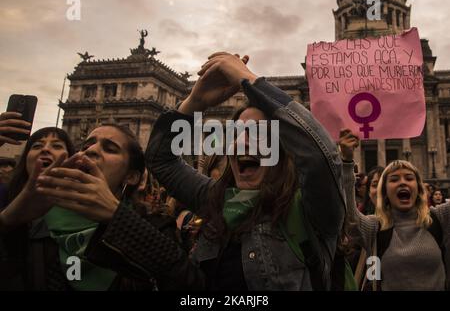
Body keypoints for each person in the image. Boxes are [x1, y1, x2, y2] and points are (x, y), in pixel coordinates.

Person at [146, 52, 346, 290]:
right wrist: (194, 103)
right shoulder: (215, 198)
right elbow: (160, 160)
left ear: (284, 151)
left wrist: (249, 79)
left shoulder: (311, 210)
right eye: (235, 134)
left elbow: (320, 156)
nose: (242, 141)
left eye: (259, 132)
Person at [29, 123, 201, 290]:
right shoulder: (36, 219)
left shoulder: (155, 227)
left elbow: (189, 283)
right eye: (86, 145)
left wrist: (118, 217)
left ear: (131, 177)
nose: (90, 150)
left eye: (110, 149)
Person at [339, 129, 450, 291]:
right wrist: (347, 162)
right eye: (394, 179)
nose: (402, 182)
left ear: (419, 188)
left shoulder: (439, 218)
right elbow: (349, 217)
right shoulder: (374, 227)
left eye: (409, 178)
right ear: (384, 192)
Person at [0, 126, 75, 290]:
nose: (46, 149)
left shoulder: (79, 210)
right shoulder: (3, 195)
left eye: (57, 146)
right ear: (26, 157)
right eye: (37, 146)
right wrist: (5, 221)